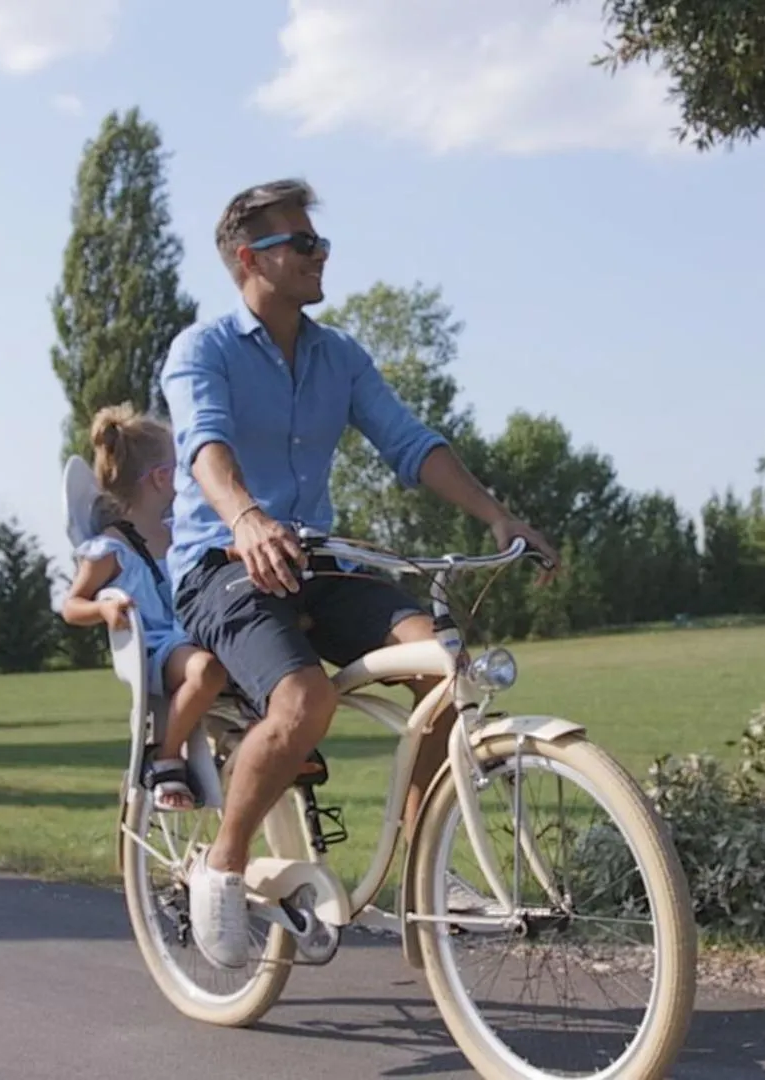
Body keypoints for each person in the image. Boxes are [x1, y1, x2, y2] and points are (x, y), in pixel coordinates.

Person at [158, 178, 560, 968]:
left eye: (320, 243)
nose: (319, 257)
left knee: (444, 665)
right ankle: (224, 862)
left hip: (319, 561)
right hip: (222, 564)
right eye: (301, 244)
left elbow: (409, 442)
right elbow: (204, 446)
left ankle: (427, 881)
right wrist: (244, 518)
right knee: (303, 698)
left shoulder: (337, 354)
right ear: (249, 259)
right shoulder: (201, 350)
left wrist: (495, 516)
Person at [61, 404, 230, 812]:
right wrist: (103, 610)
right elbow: (70, 605)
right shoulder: (112, 548)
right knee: (206, 669)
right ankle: (167, 755)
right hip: (157, 648)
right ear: (161, 477)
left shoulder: (180, 535)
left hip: (193, 635)